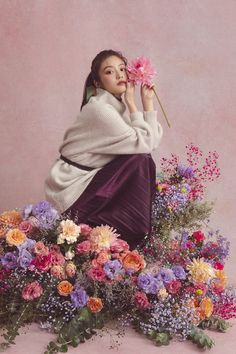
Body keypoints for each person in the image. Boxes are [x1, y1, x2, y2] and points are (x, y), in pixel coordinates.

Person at [44, 49, 163, 249]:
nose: (119, 75)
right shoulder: (100, 110)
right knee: (140, 160)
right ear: (97, 83)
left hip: (87, 182)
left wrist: (148, 102)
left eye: (123, 69)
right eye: (109, 71)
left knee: (140, 159)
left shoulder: (113, 107)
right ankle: (136, 234)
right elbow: (145, 144)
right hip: (71, 192)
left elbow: (150, 140)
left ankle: (132, 231)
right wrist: (135, 105)